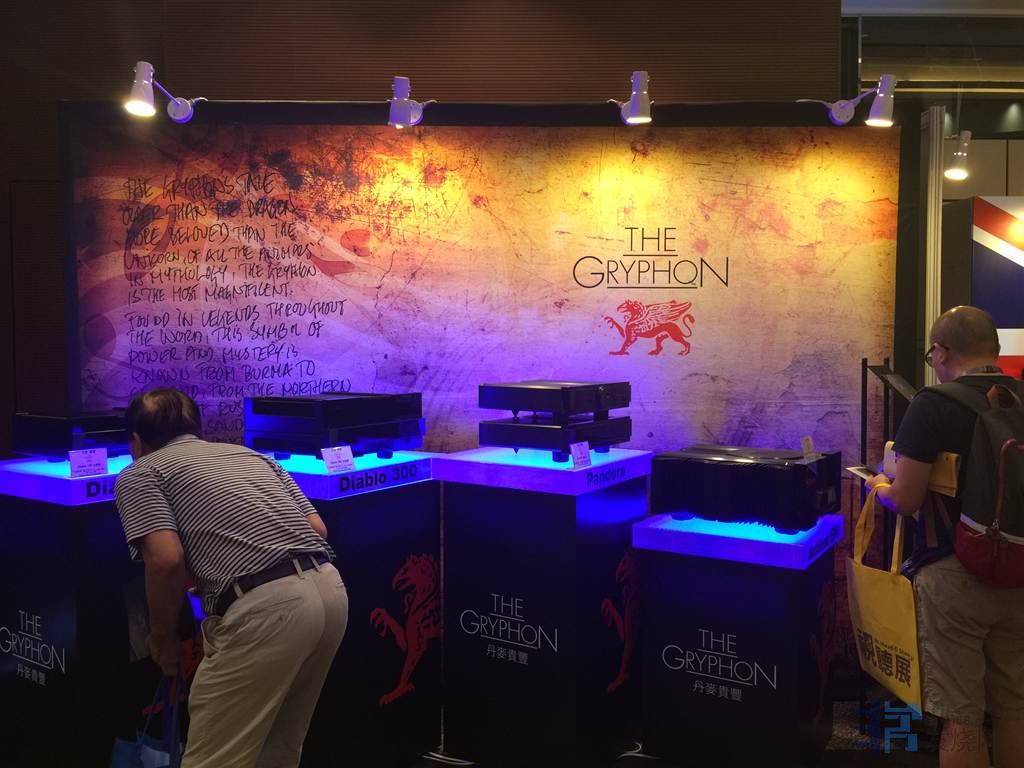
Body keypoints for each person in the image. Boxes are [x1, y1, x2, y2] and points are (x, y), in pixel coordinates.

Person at [114, 388, 348, 768]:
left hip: (266, 609)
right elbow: (317, 529)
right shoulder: (252, 456)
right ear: (197, 429)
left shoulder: (141, 473)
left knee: (213, 760)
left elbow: (166, 560)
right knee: (277, 750)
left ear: (136, 441)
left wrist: (163, 639)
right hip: (329, 589)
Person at [867, 306, 1024, 768]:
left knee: (961, 717)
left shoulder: (932, 404)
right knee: (1014, 707)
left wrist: (879, 487)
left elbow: (907, 499)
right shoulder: (1020, 399)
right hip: (1019, 569)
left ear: (941, 351)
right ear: (994, 349)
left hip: (954, 572)